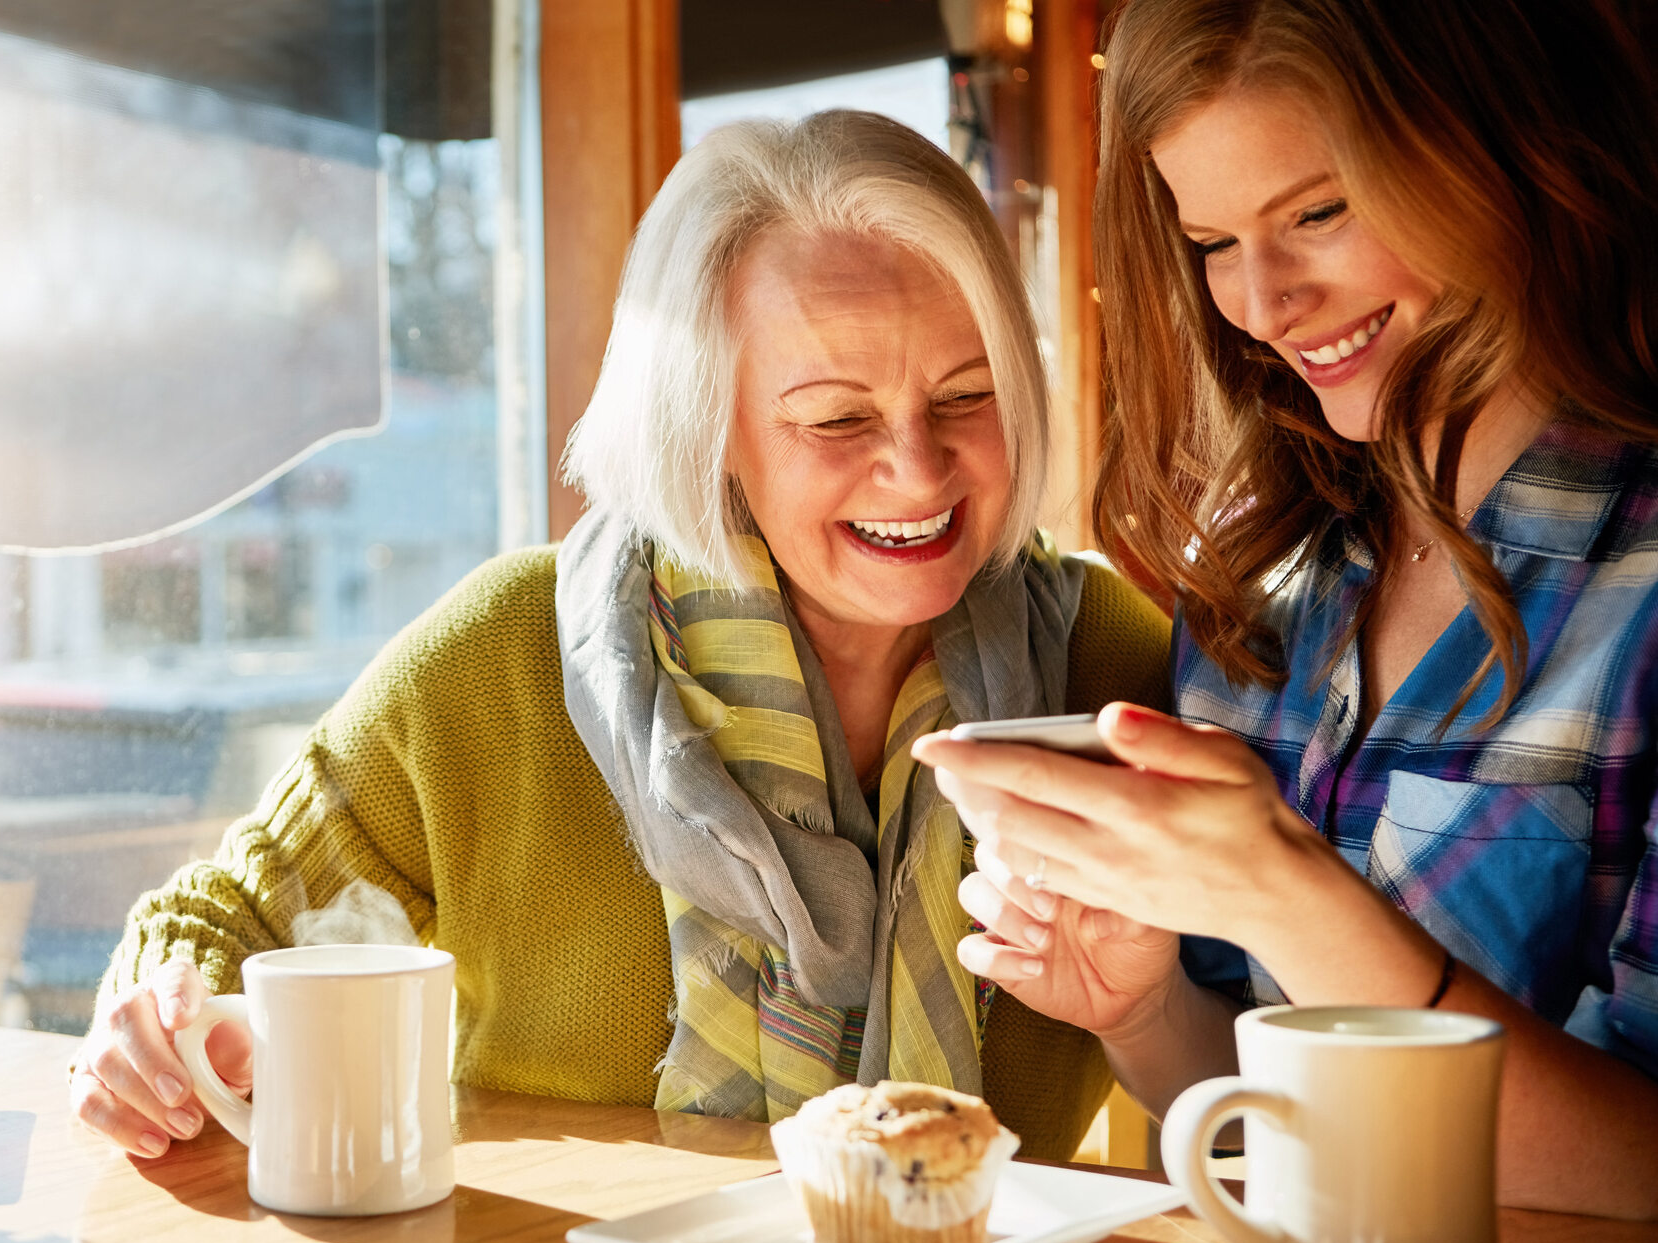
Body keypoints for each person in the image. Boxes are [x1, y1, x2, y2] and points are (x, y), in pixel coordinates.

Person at [68, 112, 1172, 1161]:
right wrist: (161, 1030)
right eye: (836, 418)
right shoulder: (504, 654)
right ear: (707, 427)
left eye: (965, 396)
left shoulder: (1109, 661)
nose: (918, 469)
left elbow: (1243, 1036)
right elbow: (225, 920)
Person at [918, 0, 1658, 1218]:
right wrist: (1145, 1007)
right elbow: (1262, 1119)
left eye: (1317, 212)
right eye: (1209, 239)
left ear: (1501, 146)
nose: (1260, 303)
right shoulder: (1264, 578)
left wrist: (1287, 897)